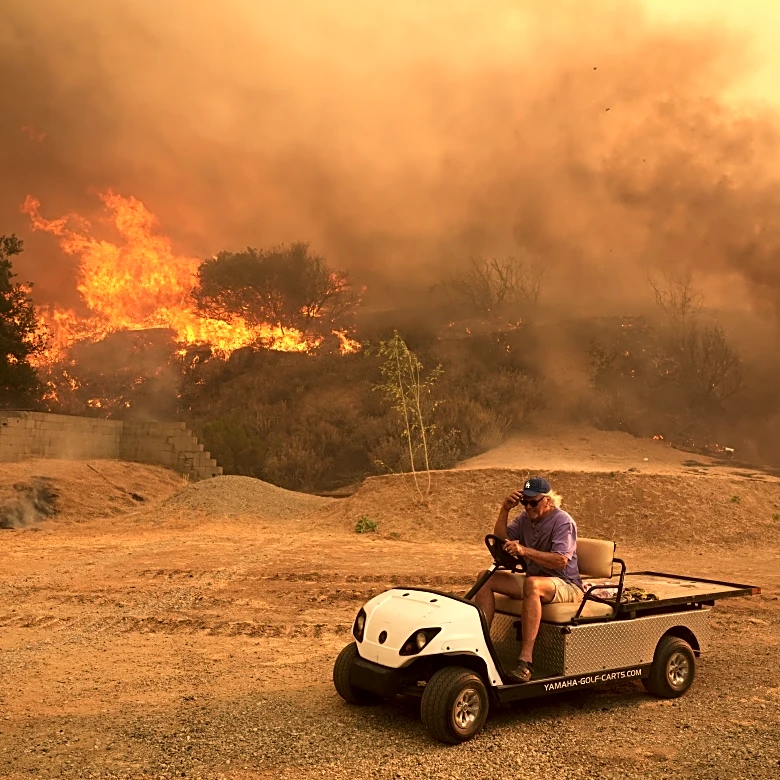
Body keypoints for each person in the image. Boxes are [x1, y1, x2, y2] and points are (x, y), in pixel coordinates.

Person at [472, 476, 583, 684]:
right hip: (537, 579)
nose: (528, 507)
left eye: (534, 502)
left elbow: (560, 561)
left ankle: (525, 661)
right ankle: (480, 643)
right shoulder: (525, 519)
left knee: (532, 585)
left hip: (566, 583)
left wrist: (524, 550)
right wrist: (505, 509)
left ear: (548, 501)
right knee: (485, 578)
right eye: (525, 502)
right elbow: (501, 537)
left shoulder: (563, 521)